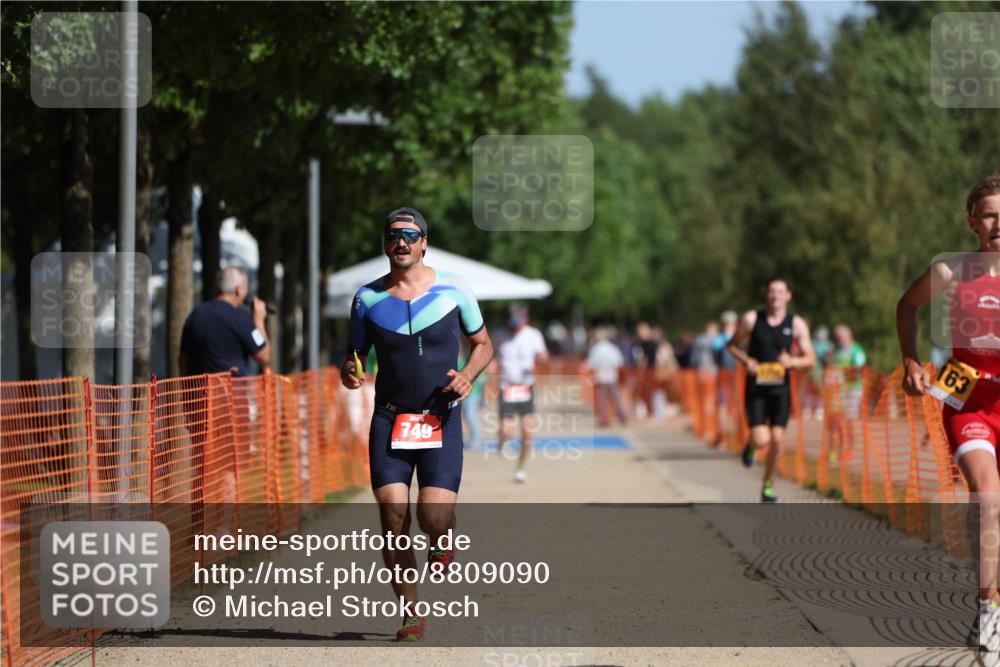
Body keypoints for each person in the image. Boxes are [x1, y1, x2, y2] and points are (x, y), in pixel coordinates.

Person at [341, 207, 493, 642]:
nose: (401, 242)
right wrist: (349, 372)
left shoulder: (454, 289)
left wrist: (467, 374)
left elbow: (484, 344)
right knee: (393, 517)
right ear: (385, 244)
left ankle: (443, 534)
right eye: (393, 236)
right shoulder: (366, 299)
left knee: (432, 515)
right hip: (389, 418)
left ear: (424, 242)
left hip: (439, 417)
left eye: (410, 235)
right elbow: (352, 357)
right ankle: (410, 614)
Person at [896, 174, 1000, 658]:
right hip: (967, 397)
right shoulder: (953, 271)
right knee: (987, 495)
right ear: (972, 222)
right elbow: (906, 306)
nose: (998, 223)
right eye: (989, 214)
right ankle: (988, 610)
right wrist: (911, 362)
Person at [727, 277, 816, 502]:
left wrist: (793, 362)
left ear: (788, 296)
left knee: (778, 440)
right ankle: (751, 445)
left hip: (780, 390)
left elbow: (810, 358)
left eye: (779, 291)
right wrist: (746, 361)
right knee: (762, 439)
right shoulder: (751, 319)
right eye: (771, 291)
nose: (775, 295)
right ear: (766, 295)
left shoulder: (796, 324)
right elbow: (731, 345)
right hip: (756, 389)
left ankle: (767, 486)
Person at [178, 266, 271, 376]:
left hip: (200, 391)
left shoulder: (196, 314)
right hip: (233, 391)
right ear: (238, 290)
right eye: (246, 287)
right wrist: (259, 320)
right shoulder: (240, 317)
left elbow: (183, 359)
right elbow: (264, 355)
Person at [493, 304, 548, 483]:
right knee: (507, 430)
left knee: (527, 432)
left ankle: (520, 467)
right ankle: (502, 441)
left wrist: (541, 357)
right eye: (513, 323)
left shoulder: (533, 335)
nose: (516, 327)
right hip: (507, 387)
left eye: (519, 322)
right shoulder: (499, 335)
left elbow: (544, 356)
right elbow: (490, 357)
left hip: (526, 387)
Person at [825, 324, 867, 462]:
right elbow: (828, 366)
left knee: (849, 420)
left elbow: (860, 370)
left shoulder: (856, 350)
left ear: (849, 336)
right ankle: (836, 449)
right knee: (835, 421)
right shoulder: (835, 351)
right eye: (837, 338)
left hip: (852, 390)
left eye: (841, 337)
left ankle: (850, 449)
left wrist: (843, 373)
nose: (839, 340)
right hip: (836, 392)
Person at [584, 327, 627, 427]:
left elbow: (591, 364)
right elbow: (619, 362)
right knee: (616, 398)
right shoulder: (612, 348)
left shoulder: (596, 349)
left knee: (602, 399)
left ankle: (604, 418)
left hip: (601, 376)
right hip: (612, 376)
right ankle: (622, 417)